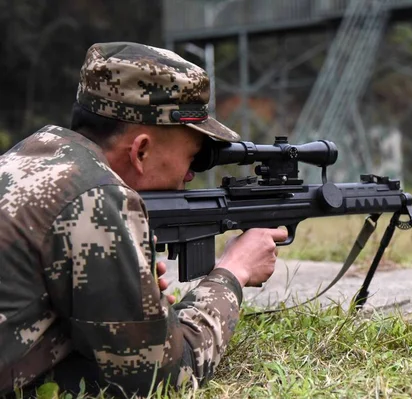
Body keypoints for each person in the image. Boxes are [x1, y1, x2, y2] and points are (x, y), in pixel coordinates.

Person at [0, 41, 287, 397]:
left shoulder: (27, 158)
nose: (190, 175)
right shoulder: (98, 200)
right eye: (194, 157)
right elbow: (162, 380)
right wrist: (233, 273)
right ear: (141, 151)